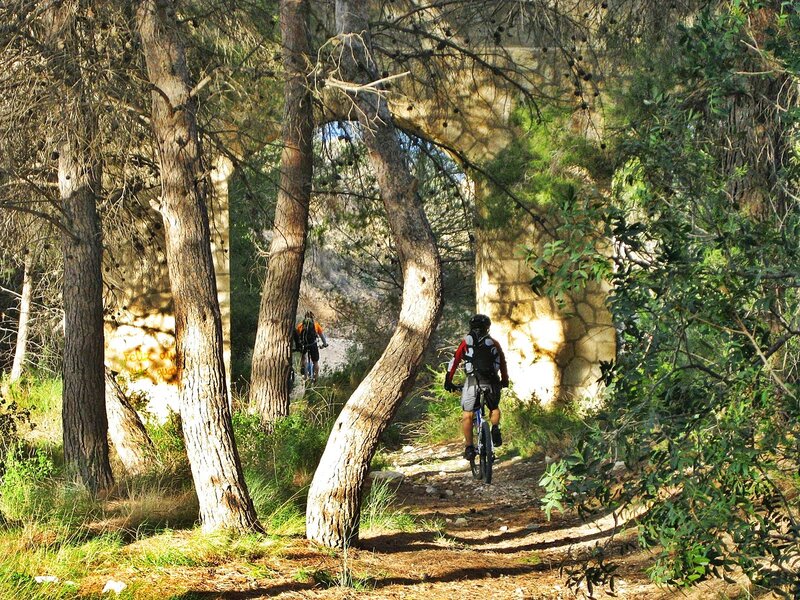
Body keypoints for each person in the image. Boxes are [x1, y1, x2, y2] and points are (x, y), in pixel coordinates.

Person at [444, 313, 509, 460]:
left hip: (473, 381)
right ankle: (495, 429)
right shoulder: (494, 343)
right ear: (488, 328)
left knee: (467, 414)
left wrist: (448, 380)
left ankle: (469, 448)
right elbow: (502, 362)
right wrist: (504, 380)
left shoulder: (466, 342)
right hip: (491, 381)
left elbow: (454, 361)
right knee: (494, 408)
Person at [295, 310, 328, 383]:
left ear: (305, 317)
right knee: (315, 362)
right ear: (313, 317)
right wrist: (325, 344)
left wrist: (298, 345)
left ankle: (304, 377)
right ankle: (315, 379)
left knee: (304, 359)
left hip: (304, 345)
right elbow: (322, 336)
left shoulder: (300, 325)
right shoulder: (316, 325)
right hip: (313, 345)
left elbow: (297, 336)